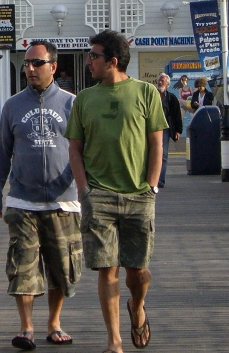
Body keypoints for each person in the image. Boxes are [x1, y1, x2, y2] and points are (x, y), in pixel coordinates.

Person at [66, 30, 167, 352]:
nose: (88, 61)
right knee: (107, 269)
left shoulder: (146, 93)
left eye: (94, 56)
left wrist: (151, 186)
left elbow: (156, 143)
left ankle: (137, 307)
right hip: (99, 196)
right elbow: (74, 148)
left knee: (137, 271)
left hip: (139, 194)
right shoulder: (84, 99)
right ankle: (115, 341)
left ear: (112, 61)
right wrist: (84, 191)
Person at [0, 41, 81, 350]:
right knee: (23, 266)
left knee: (60, 268)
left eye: (37, 63)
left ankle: (54, 323)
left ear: (53, 67)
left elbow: (83, 153)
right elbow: (2, 153)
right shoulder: (13, 106)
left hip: (62, 200)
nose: (29, 68)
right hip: (22, 200)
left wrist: (87, 192)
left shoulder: (72, 104)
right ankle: (25, 327)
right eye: (27, 63)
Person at [154, 74, 183, 189]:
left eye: (162, 81)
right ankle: (152, 179)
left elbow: (177, 115)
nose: (160, 82)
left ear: (168, 84)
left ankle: (160, 180)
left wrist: (178, 130)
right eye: (159, 80)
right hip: (153, 128)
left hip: (165, 128)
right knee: (151, 153)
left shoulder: (171, 98)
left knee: (164, 155)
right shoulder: (152, 95)